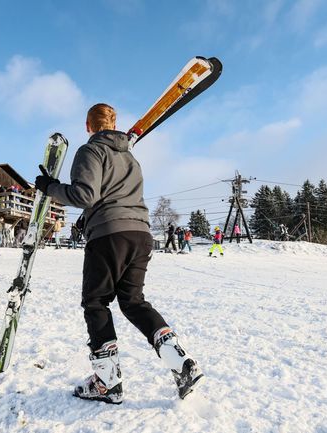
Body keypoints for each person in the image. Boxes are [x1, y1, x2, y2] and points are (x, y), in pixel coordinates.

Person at [36, 103, 203, 404]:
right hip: (140, 234)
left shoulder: (90, 152)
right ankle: (181, 363)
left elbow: (85, 195)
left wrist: (51, 187)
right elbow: (114, 195)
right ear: (114, 124)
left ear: (88, 126)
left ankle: (107, 383)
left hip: (109, 235)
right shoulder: (130, 157)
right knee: (133, 302)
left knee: (96, 302)